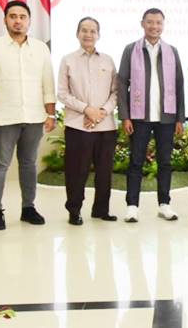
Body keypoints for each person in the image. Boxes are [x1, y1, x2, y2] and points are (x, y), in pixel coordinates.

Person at [0, 0, 56, 230]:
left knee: (29, 163)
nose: (18, 20)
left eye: (22, 16)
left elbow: (47, 83)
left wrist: (50, 114)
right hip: (3, 117)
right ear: (5, 20)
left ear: (29, 20)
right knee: (0, 164)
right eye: (13, 16)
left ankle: (28, 208)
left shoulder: (41, 48)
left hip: (34, 116)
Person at [117, 8, 185, 223]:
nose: (154, 26)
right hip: (140, 117)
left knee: (165, 162)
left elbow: (179, 85)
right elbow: (121, 83)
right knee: (136, 162)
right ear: (142, 24)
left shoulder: (171, 51)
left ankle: (164, 204)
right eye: (150, 22)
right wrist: (125, 116)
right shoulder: (131, 50)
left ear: (163, 25)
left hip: (166, 116)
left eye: (158, 23)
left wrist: (180, 118)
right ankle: (132, 206)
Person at [57, 17, 119, 226]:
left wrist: (102, 111)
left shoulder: (108, 60)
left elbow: (116, 92)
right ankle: (74, 210)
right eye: (84, 30)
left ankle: (101, 210)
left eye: (93, 31)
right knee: (77, 171)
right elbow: (63, 94)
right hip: (77, 125)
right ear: (77, 33)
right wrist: (87, 110)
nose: (88, 34)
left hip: (105, 125)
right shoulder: (67, 60)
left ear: (98, 35)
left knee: (104, 171)